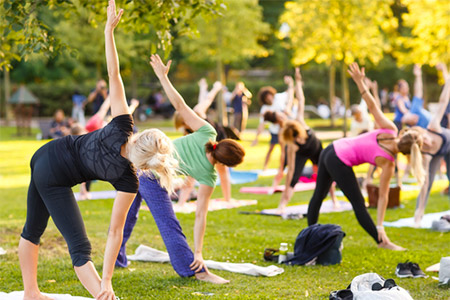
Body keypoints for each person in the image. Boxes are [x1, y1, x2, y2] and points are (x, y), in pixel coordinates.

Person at [18, 3, 179, 299]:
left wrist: (109, 31)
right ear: (147, 166)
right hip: (54, 174)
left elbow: (113, 72)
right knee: (79, 246)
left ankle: (32, 293)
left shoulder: (122, 124)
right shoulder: (129, 180)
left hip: (46, 153)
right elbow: (114, 233)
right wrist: (106, 283)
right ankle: (103, 298)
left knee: (33, 229)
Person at [116, 54, 245, 284]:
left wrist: (163, 78)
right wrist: (198, 252)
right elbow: (200, 215)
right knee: (168, 224)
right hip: (151, 173)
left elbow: (180, 105)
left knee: (127, 215)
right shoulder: (209, 176)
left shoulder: (207, 131)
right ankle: (194, 270)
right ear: (225, 164)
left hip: (138, 160)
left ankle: (117, 258)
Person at [307, 62, 426, 251]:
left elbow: (372, 106)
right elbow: (383, 197)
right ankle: (382, 242)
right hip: (339, 159)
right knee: (358, 204)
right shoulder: (388, 162)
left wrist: (360, 82)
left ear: (404, 134)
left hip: (331, 148)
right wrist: (380, 225)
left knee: (319, 195)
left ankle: (308, 236)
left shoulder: (390, 130)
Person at [270, 67, 338, 213]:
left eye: (299, 137)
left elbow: (301, 100)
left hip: (316, 148)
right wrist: (289, 183)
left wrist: (298, 82)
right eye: (296, 140)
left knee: (327, 172)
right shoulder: (292, 145)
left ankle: (334, 200)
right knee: (292, 180)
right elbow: (292, 170)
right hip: (302, 154)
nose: (299, 140)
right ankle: (282, 205)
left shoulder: (299, 120)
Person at [174, 79, 236, 204]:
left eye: (185, 123)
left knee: (222, 170)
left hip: (218, 139)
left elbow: (207, 100)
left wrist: (216, 88)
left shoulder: (198, 112)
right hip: (203, 145)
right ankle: (181, 202)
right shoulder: (187, 130)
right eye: (184, 125)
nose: (186, 126)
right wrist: (202, 86)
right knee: (191, 171)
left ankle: (227, 199)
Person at [414, 66, 450, 226]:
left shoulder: (433, 125)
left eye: (426, 139)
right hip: (437, 154)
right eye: (424, 144)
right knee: (427, 183)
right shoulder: (424, 153)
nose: (427, 143)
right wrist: (419, 214)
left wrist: (447, 80)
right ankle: (418, 214)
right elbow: (425, 183)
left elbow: (443, 101)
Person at [252, 77, 294, 171]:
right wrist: (256, 138)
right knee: (271, 148)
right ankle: (265, 167)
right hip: (274, 131)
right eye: (266, 98)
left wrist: (290, 83)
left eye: (270, 96)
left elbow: (290, 93)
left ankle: (282, 167)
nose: (269, 98)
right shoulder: (265, 108)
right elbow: (261, 124)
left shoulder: (278, 98)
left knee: (284, 149)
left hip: (283, 129)